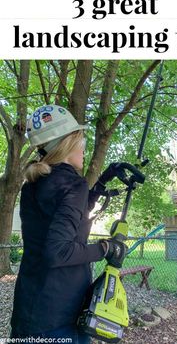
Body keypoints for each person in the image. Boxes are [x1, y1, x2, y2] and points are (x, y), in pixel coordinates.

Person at [10, 105, 126, 344]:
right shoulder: (73, 184)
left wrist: (101, 183)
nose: (84, 149)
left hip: (29, 311)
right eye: (81, 142)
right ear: (68, 143)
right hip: (61, 318)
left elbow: (65, 216)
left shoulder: (33, 183)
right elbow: (59, 252)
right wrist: (106, 248)